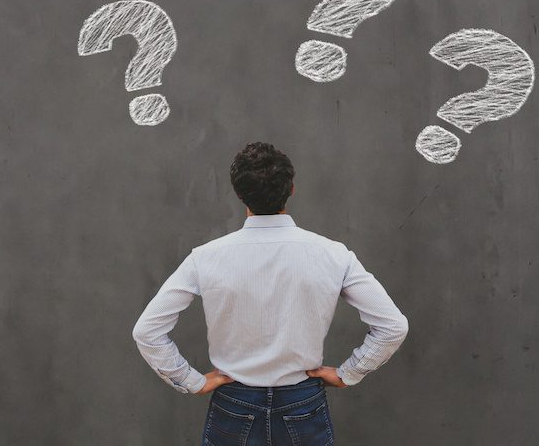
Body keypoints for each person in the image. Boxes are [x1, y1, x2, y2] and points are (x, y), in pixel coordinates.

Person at [132, 142, 410, 445]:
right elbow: (392, 327)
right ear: (291, 189)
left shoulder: (205, 257)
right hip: (302, 402)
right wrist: (348, 373)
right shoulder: (333, 255)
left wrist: (191, 381)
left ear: (239, 194)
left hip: (233, 404)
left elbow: (147, 332)